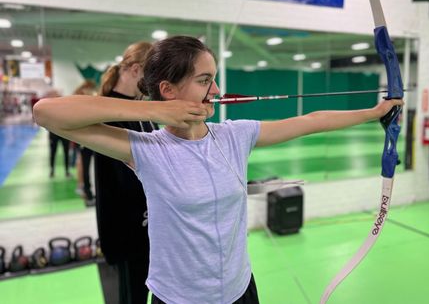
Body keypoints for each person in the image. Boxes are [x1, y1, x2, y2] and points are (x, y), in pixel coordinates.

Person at [33, 36, 403, 304]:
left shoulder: (234, 136)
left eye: (214, 78)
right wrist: (154, 112)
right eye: (204, 80)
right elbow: (46, 113)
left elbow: (311, 120)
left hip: (240, 291)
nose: (216, 88)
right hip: (178, 299)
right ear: (168, 89)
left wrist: (373, 114)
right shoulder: (146, 149)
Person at [94, 41, 153, 304]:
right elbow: (123, 180)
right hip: (127, 230)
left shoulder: (142, 109)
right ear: (136, 70)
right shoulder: (109, 111)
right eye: (150, 76)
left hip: (148, 226)